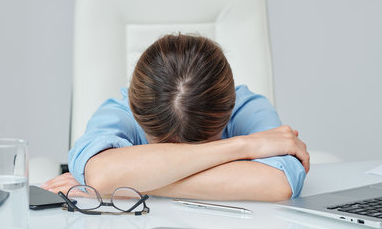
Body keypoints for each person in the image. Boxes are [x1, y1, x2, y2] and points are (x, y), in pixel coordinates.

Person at [43, 34, 309, 201]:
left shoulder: (248, 107)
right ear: (134, 110)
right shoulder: (119, 111)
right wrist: (242, 146)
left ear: (230, 109)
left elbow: (278, 185)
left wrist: (126, 184)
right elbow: (102, 176)